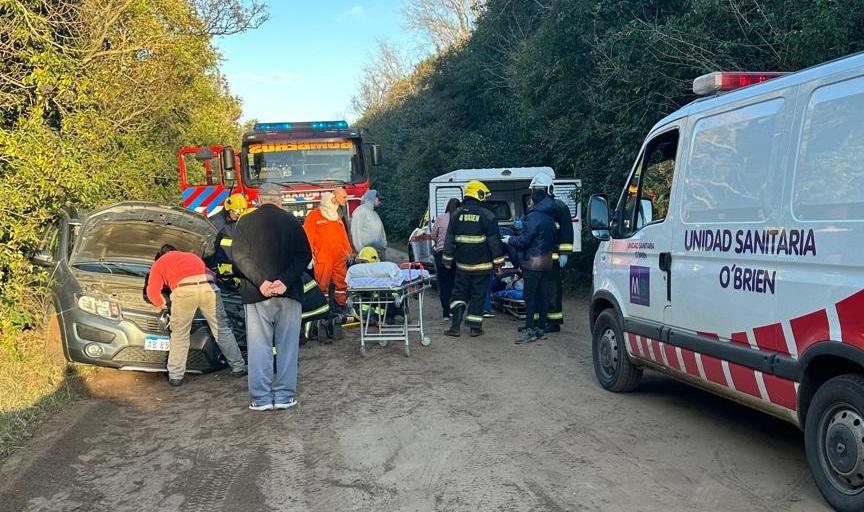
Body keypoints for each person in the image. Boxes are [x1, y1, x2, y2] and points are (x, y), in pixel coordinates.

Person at [231, 183, 312, 411]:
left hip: (256, 294)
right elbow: (304, 254)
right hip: (289, 293)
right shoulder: (292, 222)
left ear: (259, 199)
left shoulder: (245, 222)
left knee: (259, 346)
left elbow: (238, 255)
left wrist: (261, 281)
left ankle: (261, 398)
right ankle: (285, 396)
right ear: (280, 199)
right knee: (287, 346)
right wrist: (284, 281)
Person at [145, 245, 246, 386]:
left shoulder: (160, 262)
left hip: (184, 291)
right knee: (222, 329)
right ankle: (238, 367)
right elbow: (213, 275)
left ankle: (176, 376)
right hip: (209, 288)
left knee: (180, 334)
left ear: (161, 255)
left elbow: (152, 293)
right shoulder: (191, 256)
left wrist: (162, 303)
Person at [443, 180, 505, 337]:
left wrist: (447, 259)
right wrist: (498, 263)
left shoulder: (456, 214)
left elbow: (449, 238)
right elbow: (494, 242)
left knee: (459, 294)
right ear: (478, 194)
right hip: (482, 267)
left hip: (462, 266)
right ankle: (475, 328)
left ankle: (455, 327)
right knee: (478, 295)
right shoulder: (487, 215)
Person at [503, 173, 558, 344]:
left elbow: (525, 241)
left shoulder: (534, 216)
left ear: (539, 192)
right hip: (546, 262)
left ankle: (528, 329)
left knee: (530, 297)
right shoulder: (549, 214)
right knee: (542, 296)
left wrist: (509, 239)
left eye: (533, 191)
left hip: (532, 263)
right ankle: (540, 328)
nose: (532, 194)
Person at [304, 191, 354, 311]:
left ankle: (340, 304)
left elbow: (343, 236)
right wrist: (308, 255)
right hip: (322, 257)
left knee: (342, 283)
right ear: (334, 199)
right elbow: (307, 236)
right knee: (322, 284)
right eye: (343, 197)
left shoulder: (336, 216)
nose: (345, 200)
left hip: (339, 256)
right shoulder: (314, 215)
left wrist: (349, 253)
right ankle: (323, 307)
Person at [547, 188, 575, 332]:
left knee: (553, 290)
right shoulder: (537, 207)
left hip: (554, 258)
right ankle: (544, 320)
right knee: (543, 291)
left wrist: (564, 253)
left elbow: (566, 231)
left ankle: (554, 322)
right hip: (539, 259)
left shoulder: (559, 207)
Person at [209, 193, 248, 282]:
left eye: (241, 212)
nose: (238, 215)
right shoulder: (216, 222)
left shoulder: (235, 219)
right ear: (228, 209)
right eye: (237, 212)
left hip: (234, 260)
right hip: (222, 263)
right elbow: (211, 247)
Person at [431, 198, 460, 318]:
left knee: (444, 284)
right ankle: (455, 310)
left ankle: (446, 313)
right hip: (457, 254)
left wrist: (439, 242)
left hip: (441, 254)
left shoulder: (440, 218)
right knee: (456, 284)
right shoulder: (460, 218)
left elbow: (433, 235)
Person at [350, 189, 387, 260]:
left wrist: (384, 245)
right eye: (378, 199)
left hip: (379, 251)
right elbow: (355, 233)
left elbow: (382, 231)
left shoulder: (374, 213)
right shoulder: (360, 212)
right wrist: (361, 251)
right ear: (372, 198)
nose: (380, 202)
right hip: (367, 253)